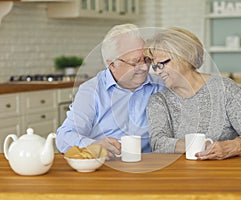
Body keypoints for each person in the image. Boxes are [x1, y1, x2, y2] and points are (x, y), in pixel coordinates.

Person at [145, 27, 241, 160]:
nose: (157, 72)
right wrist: (201, 146)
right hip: (180, 174)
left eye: (162, 63)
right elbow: (158, 142)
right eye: (155, 66)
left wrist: (231, 147)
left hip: (225, 172)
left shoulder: (225, 88)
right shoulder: (159, 100)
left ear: (185, 56)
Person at [56, 24, 164, 159]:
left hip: (147, 166)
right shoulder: (91, 91)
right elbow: (64, 136)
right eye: (135, 62)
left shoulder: (161, 85)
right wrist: (93, 145)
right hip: (106, 168)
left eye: (146, 59)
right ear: (112, 64)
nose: (144, 67)